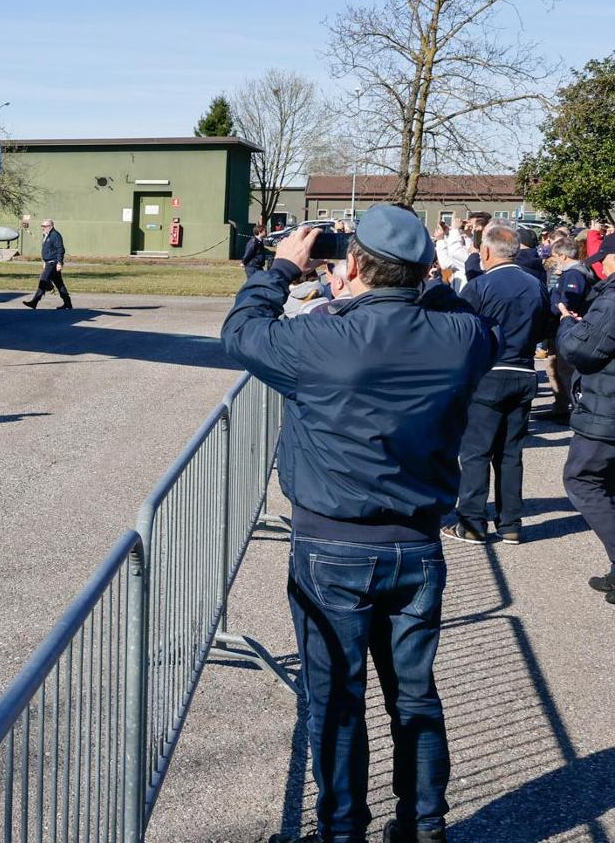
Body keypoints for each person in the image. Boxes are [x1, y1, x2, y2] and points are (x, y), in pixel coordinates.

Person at [222, 206, 496, 843]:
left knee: (337, 700)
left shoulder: (323, 339)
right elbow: (456, 312)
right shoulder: (461, 339)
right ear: (424, 270)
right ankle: (424, 826)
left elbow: (241, 333)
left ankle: (342, 829)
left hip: (331, 544)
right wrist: (403, 282)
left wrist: (282, 267)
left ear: (354, 265)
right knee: (416, 696)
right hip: (417, 546)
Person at [447, 225, 546, 545]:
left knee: (476, 451)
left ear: (487, 253)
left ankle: (473, 522)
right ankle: (510, 523)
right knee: (510, 452)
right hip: (524, 371)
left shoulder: (480, 286)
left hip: (489, 373)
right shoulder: (536, 285)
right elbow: (545, 326)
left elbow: (460, 332)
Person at [556, 266, 615, 607]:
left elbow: (582, 350)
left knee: (582, 479)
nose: (599, 264)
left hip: (606, 411)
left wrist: (568, 323)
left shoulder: (611, 298)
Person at [542, 235, 590, 422]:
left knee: (566, 371)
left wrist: (554, 302)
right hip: (561, 328)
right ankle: (561, 407)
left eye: (554, 256)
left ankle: (574, 410)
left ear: (562, 256)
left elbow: (568, 303)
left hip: (569, 328)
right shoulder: (572, 273)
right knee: (556, 368)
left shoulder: (574, 274)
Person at [22, 218, 73, 309]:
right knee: (59, 283)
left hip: (53, 263)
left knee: (43, 280)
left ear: (50, 226)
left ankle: (34, 301)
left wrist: (59, 263)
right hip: (49, 262)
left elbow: (60, 250)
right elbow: (49, 250)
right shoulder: (46, 235)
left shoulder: (55, 235)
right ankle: (67, 303)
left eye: (44, 226)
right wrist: (45, 261)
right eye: (42, 226)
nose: (42, 228)